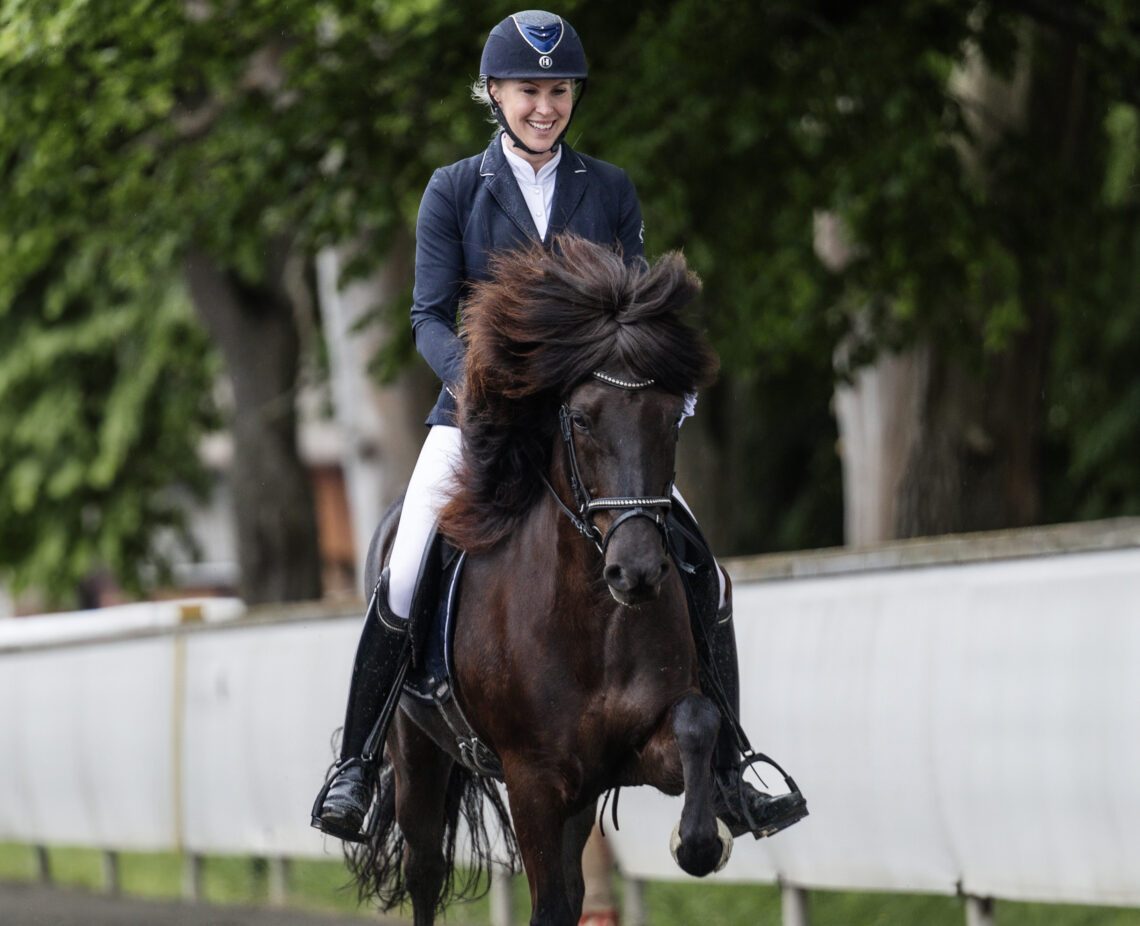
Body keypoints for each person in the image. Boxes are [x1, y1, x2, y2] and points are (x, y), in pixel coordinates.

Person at [312, 9, 807, 845]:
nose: (545, 106)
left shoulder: (607, 189)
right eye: (529, 90)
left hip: (596, 429)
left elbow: (639, 311)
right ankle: (359, 764)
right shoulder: (454, 190)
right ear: (495, 94)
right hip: (480, 420)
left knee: (700, 565)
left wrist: (661, 382)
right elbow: (429, 316)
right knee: (403, 566)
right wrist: (478, 389)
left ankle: (734, 761)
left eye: (558, 90)